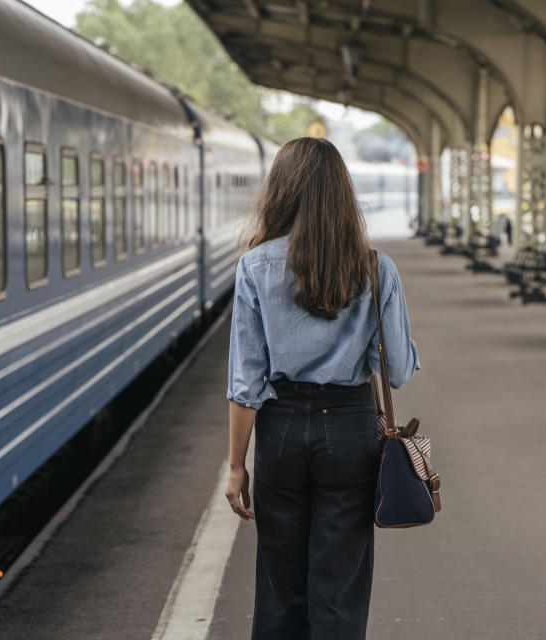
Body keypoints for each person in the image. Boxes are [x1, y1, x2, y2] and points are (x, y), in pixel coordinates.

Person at [225, 137, 420, 640]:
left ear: (280, 191)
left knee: (278, 581)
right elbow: (396, 370)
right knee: (339, 584)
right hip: (350, 430)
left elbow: (246, 383)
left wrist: (234, 467)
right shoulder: (377, 268)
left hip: (281, 429)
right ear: (342, 193)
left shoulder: (254, 266)